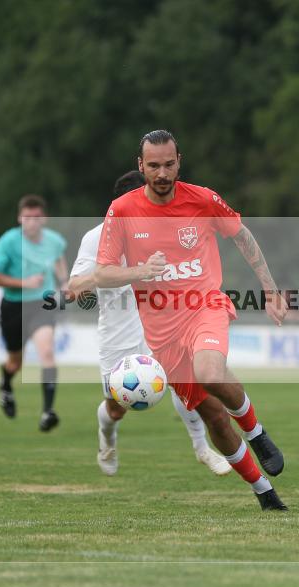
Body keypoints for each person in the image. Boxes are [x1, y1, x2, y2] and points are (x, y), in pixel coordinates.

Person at [94, 130, 289, 511]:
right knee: (214, 418)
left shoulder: (202, 199)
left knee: (210, 371)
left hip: (205, 306)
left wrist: (270, 288)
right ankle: (265, 492)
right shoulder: (122, 210)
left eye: (169, 164)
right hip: (164, 337)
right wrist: (138, 270)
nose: (162, 173)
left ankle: (257, 433)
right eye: (153, 166)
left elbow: (243, 237)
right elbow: (102, 274)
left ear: (179, 161)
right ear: (141, 166)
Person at [66, 170, 231, 477]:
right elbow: (73, 288)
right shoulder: (97, 236)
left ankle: (201, 448)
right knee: (116, 408)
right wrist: (135, 272)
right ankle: (107, 439)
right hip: (119, 335)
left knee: (187, 386)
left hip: (167, 325)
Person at [0, 194, 69, 431]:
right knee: (14, 363)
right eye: (28, 217)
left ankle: (48, 412)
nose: (32, 222)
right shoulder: (7, 242)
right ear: (20, 219)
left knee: (47, 352)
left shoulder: (54, 241)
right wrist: (25, 282)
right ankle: (6, 385)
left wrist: (64, 283)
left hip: (43, 304)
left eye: (37, 217)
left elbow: (59, 262)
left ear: (45, 219)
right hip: (14, 306)